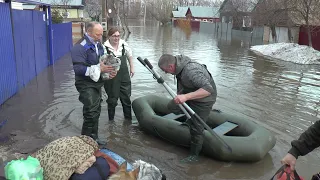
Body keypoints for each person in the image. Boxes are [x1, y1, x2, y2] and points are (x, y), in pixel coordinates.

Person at [158, 54, 217, 163]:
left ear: (171, 66)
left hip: (205, 98)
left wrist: (185, 97)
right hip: (190, 91)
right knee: (172, 106)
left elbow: (208, 90)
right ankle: (189, 120)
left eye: (165, 70)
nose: (165, 73)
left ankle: (194, 156)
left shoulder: (191, 72)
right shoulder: (178, 63)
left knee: (196, 128)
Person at [70, 21, 117, 146]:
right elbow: (78, 69)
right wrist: (99, 69)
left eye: (101, 34)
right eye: (97, 34)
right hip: (84, 83)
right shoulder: (79, 47)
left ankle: (94, 137)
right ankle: (85, 142)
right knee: (90, 111)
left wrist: (109, 73)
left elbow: (103, 62)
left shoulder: (98, 44)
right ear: (88, 32)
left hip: (97, 82)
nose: (100, 37)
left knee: (96, 110)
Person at [103, 27, 134, 121]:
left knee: (126, 99)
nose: (116, 38)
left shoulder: (123, 44)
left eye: (118, 36)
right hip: (111, 77)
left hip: (124, 75)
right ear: (109, 37)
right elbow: (101, 63)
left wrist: (132, 68)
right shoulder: (104, 47)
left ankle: (128, 121)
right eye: (114, 36)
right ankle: (111, 122)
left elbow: (130, 56)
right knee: (112, 100)